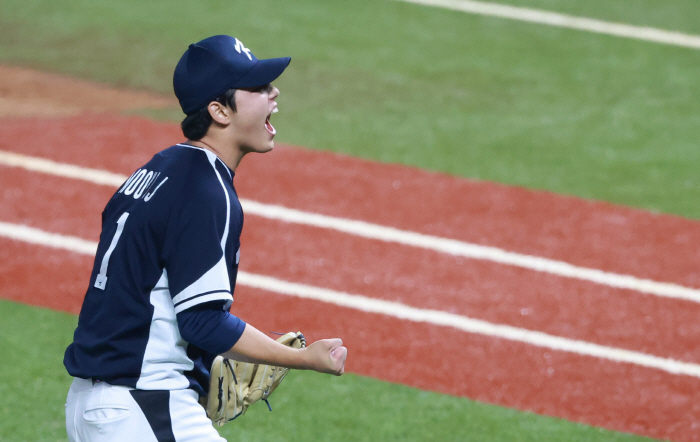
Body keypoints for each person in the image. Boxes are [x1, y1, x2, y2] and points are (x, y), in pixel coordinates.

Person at [63, 34, 347, 442]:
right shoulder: (205, 190)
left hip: (98, 404)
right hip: (144, 405)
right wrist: (302, 358)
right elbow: (203, 321)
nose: (274, 92)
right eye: (259, 88)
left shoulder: (160, 169)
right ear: (219, 110)